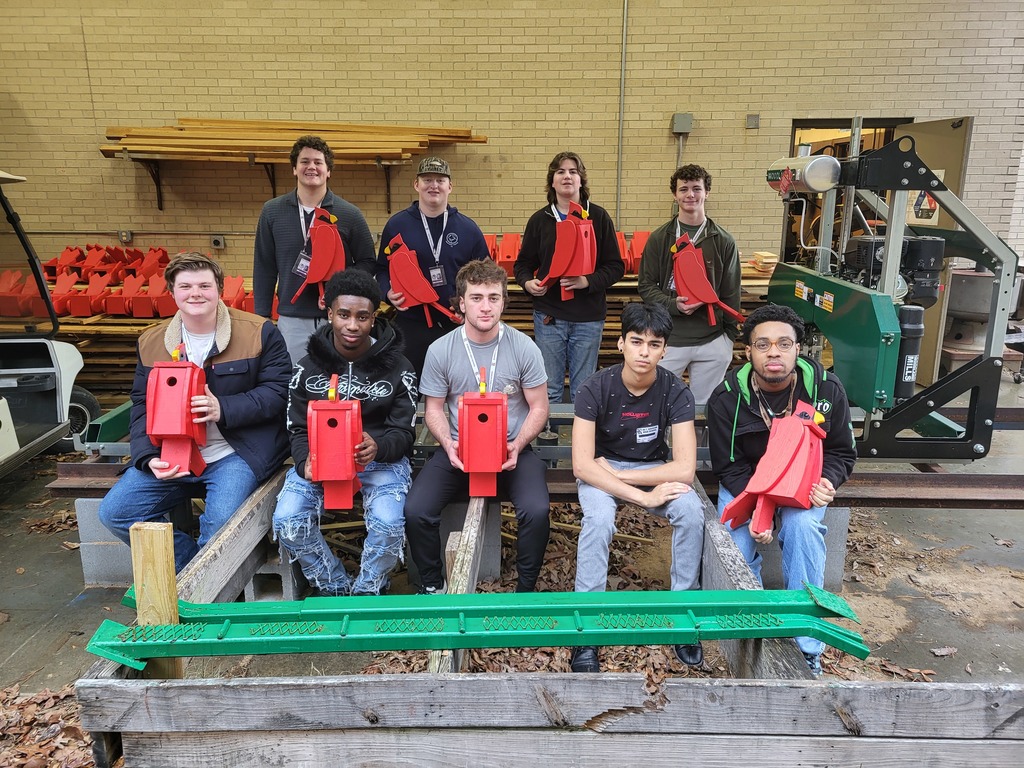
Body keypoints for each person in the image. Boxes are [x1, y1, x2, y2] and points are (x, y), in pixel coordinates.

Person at [99, 252, 291, 571]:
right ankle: (191, 570)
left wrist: (222, 407)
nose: (195, 293)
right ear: (172, 292)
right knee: (116, 513)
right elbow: (142, 404)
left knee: (218, 530)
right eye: (185, 286)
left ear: (219, 290)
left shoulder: (258, 332)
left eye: (204, 285)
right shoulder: (152, 342)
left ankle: (200, 586)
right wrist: (148, 456)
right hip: (174, 454)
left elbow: (279, 393)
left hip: (234, 453)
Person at [706, 304, 856, 676]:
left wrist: (827, 482)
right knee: (737, 546)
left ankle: (807, 643)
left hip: (803, 481)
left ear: (797, 350)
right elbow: (728, 465)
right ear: (748, 352)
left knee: (803, 529)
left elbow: (840, 451)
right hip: (747, 483)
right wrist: (763, 507)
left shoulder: (825, 388)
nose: (774, 352)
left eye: (784, 344)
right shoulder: (726, 398)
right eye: (763, 344)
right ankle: (755, 625)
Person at [569, 302, 705, 672]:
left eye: (654, 344)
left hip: (643, 468)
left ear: (665, 350)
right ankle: (587, 625)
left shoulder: (676, 391)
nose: (644, 352)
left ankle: (682, 614)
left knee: (692, 511)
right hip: (601, 472)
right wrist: (642, 496)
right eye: (636, 341)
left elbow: (685, 469)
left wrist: (619, 478)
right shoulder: (594, 387)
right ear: (621, 344)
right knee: (598, 520)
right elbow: (581, 464)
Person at [405, 259, 550, 593]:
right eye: (477, 297)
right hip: (460, 449)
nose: (486, 307)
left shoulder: (523, 347)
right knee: (416, 510)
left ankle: (524, 591)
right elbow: (434, 409)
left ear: (504, 301)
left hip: (512, 448)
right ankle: (432, 587)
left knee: (537, 510)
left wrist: (518, 443)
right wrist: (448, 444)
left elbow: (539, 407)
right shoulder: (441, 350)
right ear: (460, 303)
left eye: (494, 298)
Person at [272, 269, 417, 596]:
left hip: (380, 463)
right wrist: (302, 462)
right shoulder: (306, 368)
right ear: (329, 313)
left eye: (362, 317)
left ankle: (367, 590)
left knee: (388, 523)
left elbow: (404, 432)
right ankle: (333, 585)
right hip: (318, 462)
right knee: (288, 520)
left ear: (374, 317)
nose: (352, 325)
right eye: (344, 315)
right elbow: (295, 427)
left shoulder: (399, 367)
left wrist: (378, 446)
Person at [253, 135, 377, 362]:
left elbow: (368, 262)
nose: (312, 167)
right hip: (292, 318)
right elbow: (264, 266)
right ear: (294, 168)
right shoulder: (272, 212)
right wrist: (261, 316)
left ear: (328, 171)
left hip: (338, 318)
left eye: (318, 162)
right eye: (305, 161)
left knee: (338, 382)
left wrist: (337, 289)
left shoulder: (349, 214)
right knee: (296, 381)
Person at [514, 151, 624, 403]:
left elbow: (615, 266)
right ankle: (546, 438)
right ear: (552, 181)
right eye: (560, 172)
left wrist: (588, 281)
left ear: (581, 180)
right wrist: (527, 283)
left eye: (573, 172)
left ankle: (581, 443)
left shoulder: (598, 217)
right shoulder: (540, 220)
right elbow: (523, 264)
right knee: (549, 389)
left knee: (583, 391)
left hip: (588, 318)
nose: (567, 176)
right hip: (549, 316)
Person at [375, 156, 491, 376]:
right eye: (427, 179)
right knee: (410, 384)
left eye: (440, 180)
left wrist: (472, 307)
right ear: (416, 185)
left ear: (450, 186)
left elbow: (486, 276)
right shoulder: (397, 225)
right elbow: (381, 269)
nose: (434, 185)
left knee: (456, 384)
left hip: (455, 323)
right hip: (411, 323)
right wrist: (387, 293)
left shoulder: (468, 229)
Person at [638, 164, 741, 406]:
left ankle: (697, 447)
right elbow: (646, 285)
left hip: (713, 341)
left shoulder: (723, 240)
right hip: (670, 340)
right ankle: (661, 447)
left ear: (707, 193)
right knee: (659, 405)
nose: (690, 195)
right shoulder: (660, 238)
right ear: (675, 195)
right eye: (683, 189)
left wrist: (729, 337)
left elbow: (732, 291)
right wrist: (672, 305)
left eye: (697, 188)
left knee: (706, 410)